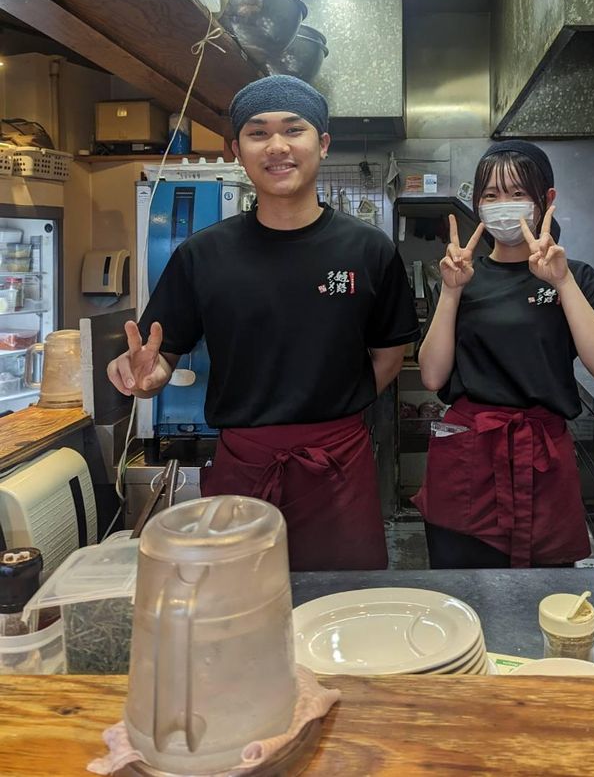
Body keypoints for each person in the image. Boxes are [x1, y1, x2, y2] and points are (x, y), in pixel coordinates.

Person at [108, 75, 419, 570]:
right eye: (258, 133)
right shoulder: (203, 255)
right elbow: (159, 357)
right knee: (241, 614)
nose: (277, 146)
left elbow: (389, 353)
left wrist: (330, 409)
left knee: (343, 614)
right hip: (244, 470)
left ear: (322, 143)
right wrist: (144, 378)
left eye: (293, 130)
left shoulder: (368, 250)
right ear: (237, 150)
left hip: (338, 468)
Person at [413, 140, 594, 569]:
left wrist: (562, 283)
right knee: (463, 596)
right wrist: (451, 290)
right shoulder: (461, 277)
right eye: (491, 195)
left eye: (516, 194)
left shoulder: (577, 277)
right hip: (467, 456)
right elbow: (433, 377)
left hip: (540, 457)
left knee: (546, 598)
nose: (503, 206)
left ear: (547, 199)